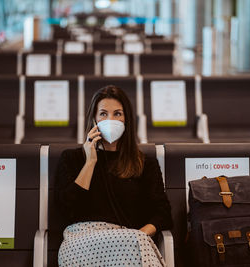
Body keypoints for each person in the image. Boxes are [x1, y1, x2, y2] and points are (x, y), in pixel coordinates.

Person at [54, 85, 173, 266]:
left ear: (126, 120)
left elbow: (163, 214)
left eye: (117, 114)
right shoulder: (72, 158)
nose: (110, 119)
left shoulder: (144, 163)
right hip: (81, 242)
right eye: (103, 114)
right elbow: (66, 210)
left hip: (130, 241)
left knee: (138, 245)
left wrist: (138, 236)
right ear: (94, 119)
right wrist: (90, 162)